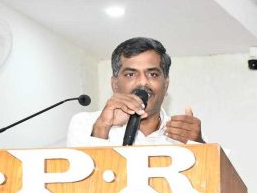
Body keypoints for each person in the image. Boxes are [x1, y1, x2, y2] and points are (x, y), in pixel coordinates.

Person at [67, 37, 204, 147]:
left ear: (166, 85)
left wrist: (198, 145)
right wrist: (101, 129)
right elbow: (81, 173)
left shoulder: (184, 132)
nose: (142, 82)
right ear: (115, 85)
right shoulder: (84, 123)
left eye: (153, 74)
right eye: (130, 74)